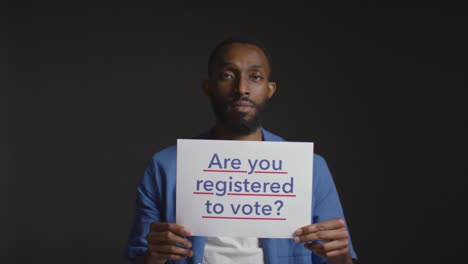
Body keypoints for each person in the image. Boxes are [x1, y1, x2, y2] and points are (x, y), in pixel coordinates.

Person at [125, 37, 357, 264]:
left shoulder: (311, 167)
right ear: (208, 86)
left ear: (269, 89)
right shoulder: (164, 166)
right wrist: (153, 257)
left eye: (255, 77)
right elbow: (140, 258)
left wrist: (341, 257)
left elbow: (336, 259)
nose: (242, 88)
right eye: (227, 75)